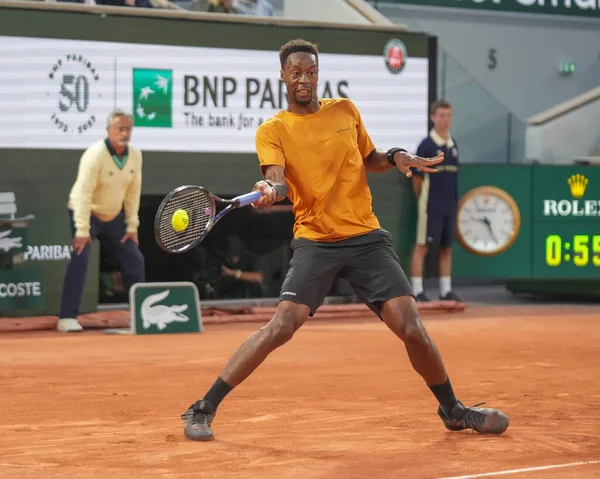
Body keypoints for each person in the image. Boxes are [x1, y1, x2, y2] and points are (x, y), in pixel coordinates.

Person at [180, 39, 509, 441]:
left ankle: (453, 410)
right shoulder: (273, 130)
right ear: (283, 76)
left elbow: (370, 157)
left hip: (367, 237)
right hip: (316, 240)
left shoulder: (345, 110)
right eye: (296, 72)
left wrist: (397, 156)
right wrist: (269, 189)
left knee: (412, 329)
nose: (304, 79)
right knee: (282, 325)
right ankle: (202, 407)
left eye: (311, 71)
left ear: (318, 73)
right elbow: (279, 182)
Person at [57, 109, 145, 333]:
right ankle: (67, 317)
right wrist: (82, 230)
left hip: (114, 217)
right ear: (108, 131)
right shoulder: (95, 154)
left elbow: (133, 193)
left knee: (135, 260)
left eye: (128, 129)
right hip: (86, 213)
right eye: (119, 129)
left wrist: (131, 226)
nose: (124, 133)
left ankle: (138, 316)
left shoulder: (135, 155)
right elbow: (84, 194)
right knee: (80, 258)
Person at [410, 100, 461, 303]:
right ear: (433, 117)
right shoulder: (426, 145)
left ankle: (445, 290)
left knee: (446, 247)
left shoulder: (453, 145)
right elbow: (416, 178)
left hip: (449, 205)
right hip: (430, 206)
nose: (445, 119)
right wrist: (422, 200)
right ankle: (416, 290)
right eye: (441, 115)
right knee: (422, 246)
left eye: (448, 115)